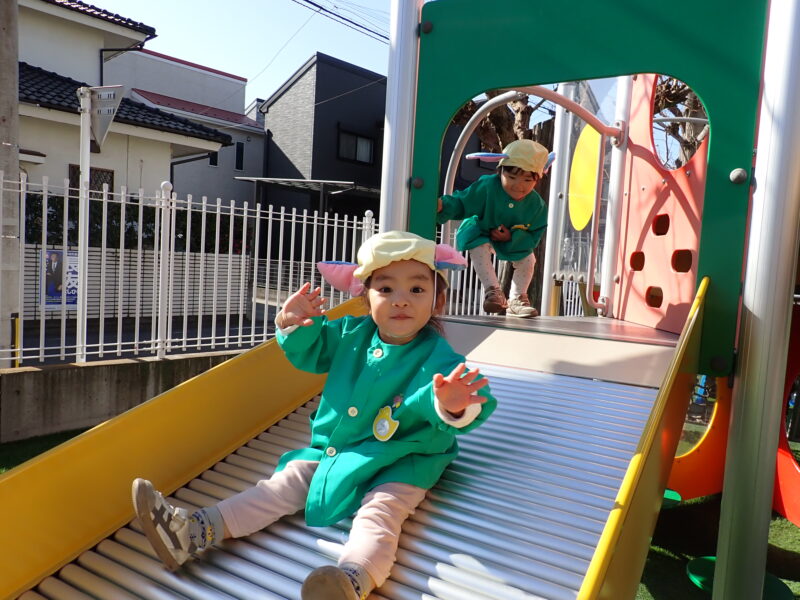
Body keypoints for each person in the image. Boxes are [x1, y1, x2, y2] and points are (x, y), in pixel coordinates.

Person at [131, 231, 497, 600]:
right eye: (385, 289)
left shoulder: (439, 357)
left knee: (381, 512)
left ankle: (352, 579)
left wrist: (452, 402)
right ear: (365, 296)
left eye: (417, 289)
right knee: (281, 485)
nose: (400, 300)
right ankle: (192, 531)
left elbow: (470, 395)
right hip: (337, 449)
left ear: (437, 299)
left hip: (404, 457)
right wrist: (294, 324)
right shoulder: (351, 333)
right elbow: (313, 349)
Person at [437, 138, 550, 318]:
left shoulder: (536, 205)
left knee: (528, 260)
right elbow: (464, 201)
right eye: (511, 177)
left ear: (537, 180)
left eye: (528, 180)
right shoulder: (487, 186)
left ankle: (518, 299)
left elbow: (534, 233)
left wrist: (512, 237)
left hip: (512, 239)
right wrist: (444, 205)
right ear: (500, 172)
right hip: (481, 230)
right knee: (478, 248)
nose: (518, 185)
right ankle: (493, 291)